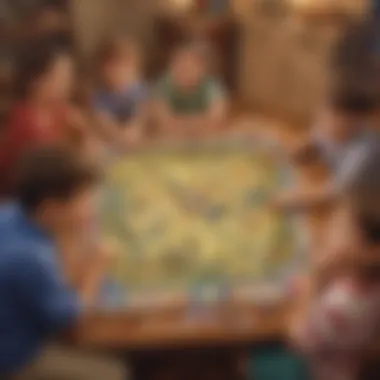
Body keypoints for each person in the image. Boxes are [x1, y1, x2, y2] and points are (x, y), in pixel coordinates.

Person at [0, 147, 126, 380]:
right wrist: (94, 271)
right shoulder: (28, 257)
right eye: (83, 199)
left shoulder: (12, 214)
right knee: (112, 373)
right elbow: (69, 319)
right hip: (14, 356)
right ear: (51, 208)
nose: (91, 208)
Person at [289, 147, 380, 380]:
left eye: (340, 228)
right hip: (338, 348)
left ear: (369, 251)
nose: (328, 231)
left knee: (253, 360)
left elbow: (298, 338)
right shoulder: (359, 274)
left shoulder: (344, 304)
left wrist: (313, 278)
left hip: (318, 369)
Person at [0, 38, 95, 197]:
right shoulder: (27, 123)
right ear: (36, 81)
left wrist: (83, 134)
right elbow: (64, 175)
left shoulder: (58, 109)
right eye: (60, 77)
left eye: (69, 77)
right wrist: (82, 140)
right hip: (26, 200)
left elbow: (88, 151)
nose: (67, 84)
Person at [275, 81, 379, 211]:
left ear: (356, 124)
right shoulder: (327, 120)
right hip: (331, 176)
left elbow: (335, 192)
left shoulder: (364, 151)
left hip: (365, 199)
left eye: (335, 121)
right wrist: (298, 150)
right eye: (324, 115)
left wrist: (292, 197)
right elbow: (313, 144)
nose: (325, 124)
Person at [153, 40, 227, 138]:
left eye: (191, 65)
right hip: (172, 138)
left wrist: (183, 125)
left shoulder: (210, 86)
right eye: (180, 65)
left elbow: (217, 118)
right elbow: (161, 119)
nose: (185, 70)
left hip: (203, 138)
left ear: (202, 69)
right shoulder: (164, 85)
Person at [92, 36, 148, 149]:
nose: (122, 74)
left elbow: (141, 116)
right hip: (111, 140)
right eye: (116, 68)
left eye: (128, 68)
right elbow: (104, 122)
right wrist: (119, 136)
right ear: (105, 70)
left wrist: (134, 130)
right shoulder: (100, 97)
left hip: (136, 138)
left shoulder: (138, 91)